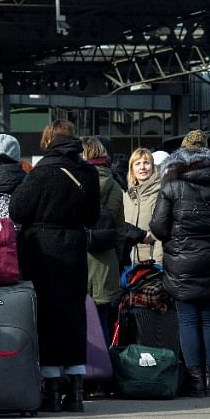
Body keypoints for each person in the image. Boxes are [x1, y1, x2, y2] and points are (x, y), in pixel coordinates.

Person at [11, 120, 100, 413]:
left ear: (48, 141)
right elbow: (93, 215)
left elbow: (18, 210)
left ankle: (50, 389)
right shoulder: (87, 172)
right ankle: (75, 390)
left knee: (47, 315)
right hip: (74, 246)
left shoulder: (41, 173)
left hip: (42, 249)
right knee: (74, 313)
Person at [149, 129, 210, 398]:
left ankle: (195, 379)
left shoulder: (171, 186)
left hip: (181, 261)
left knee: (188, 320)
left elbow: (158, 227)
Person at [83, 136, 127, 347]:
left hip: (79, 259)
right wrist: (115, 260)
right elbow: (120, 233)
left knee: (79, 320)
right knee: (103, 318)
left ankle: (80, 373)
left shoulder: (76, 183)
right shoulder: (117, 188)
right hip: (106, 261)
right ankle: (104, 371)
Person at [124, 147, 162, 263]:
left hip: (151, 261)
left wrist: (158, 262)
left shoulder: (161, 194)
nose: (142, 167)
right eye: (137, 163)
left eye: (146, 163)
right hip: (129, 262)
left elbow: (162, 232)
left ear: (153, 167)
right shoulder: (126, 196)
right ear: (132, 169)